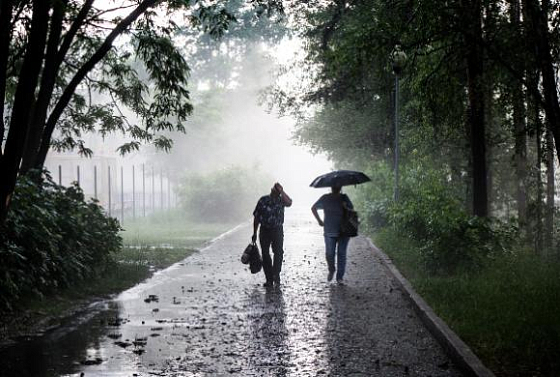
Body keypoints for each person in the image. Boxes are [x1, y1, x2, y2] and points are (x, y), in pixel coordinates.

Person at [252, 182, 293, 288]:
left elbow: (289, 203)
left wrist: (282, 191)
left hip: (277, 230)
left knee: (278, 253)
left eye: (278, 191)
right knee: (265, 254)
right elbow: (256, 217)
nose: (276, 192)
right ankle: (269, 279)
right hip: (264, 230)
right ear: (271, 190)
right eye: (275, 190)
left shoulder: (281, 200)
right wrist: (254, 233)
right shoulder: (263, 200)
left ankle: (276, 274)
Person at [311, 185, 354, 284]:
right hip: (329, 230)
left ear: (340, 187)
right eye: (335, 185)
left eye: (338, 185)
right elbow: (313, 208)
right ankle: (331, 269)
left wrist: (345, 206)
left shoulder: (344, 197)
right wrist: (319, 221)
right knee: (329, 254)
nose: (336, 187)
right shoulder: (325, 198)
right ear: (332, 187)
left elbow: (351, 210)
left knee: (341, 254)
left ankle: (340, 277)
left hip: (344, 230)